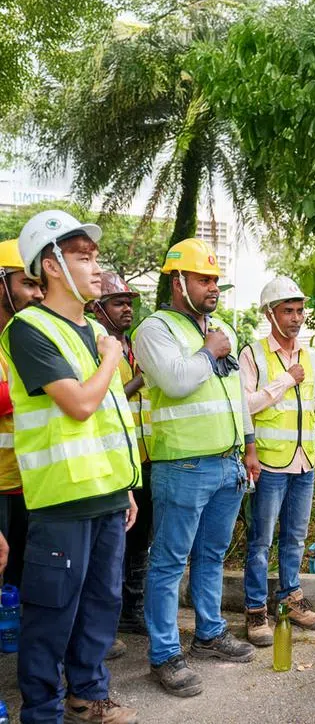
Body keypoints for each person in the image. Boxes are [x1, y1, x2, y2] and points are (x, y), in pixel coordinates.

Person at [2, 209, 142, 723]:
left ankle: (88, 693)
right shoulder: (29, 328)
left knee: (100, 606)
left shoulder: (89, 330)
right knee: (52, 612)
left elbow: (108, 420)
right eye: (84, 258)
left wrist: (125, 486)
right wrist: (110, 356)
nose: (96, 268)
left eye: (95, 257)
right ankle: (41, 711)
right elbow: (80, 404)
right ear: (54, 265)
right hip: (61, 500)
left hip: (106, 494)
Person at [133, 238, 259, 698]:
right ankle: (165, 654)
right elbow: (175, 380)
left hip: (227, 465)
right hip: (183, 466)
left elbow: (236, 396)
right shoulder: (154, 329)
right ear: (177, 281)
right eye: (204, 280)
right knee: (168, 562)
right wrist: (209, 351)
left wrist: (248, 445)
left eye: (215, 281)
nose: (213, 289)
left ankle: (209, 633)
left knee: (211, 556)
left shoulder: (219, 327)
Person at [240, 276, 315, 647]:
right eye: (287, 311)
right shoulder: (253, 354)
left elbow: (310, 408)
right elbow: (245, 407)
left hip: (303, 461)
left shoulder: (312, 356)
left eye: (299, 310)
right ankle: (255, 610)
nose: (295, 318)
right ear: (270, 314)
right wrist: (285, 382)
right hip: (271, 464)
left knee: (295, 538)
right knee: (260, 541)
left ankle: (290, 599)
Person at [87, 272, 151, 642]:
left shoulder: (132, 346)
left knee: (140, 543)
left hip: (142, 459)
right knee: (111, 549)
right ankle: (104, 627)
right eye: (118, 302)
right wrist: (141, 378)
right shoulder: (98, 344)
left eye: (129, 302)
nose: (127, 309)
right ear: (98, 308)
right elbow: (101, 397)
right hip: (110, 463)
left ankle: (132, 612)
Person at [0, 238, 43, 592]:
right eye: (28, 283)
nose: (39, 294)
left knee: (19, 583)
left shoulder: (25, 341)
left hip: (28, 484)